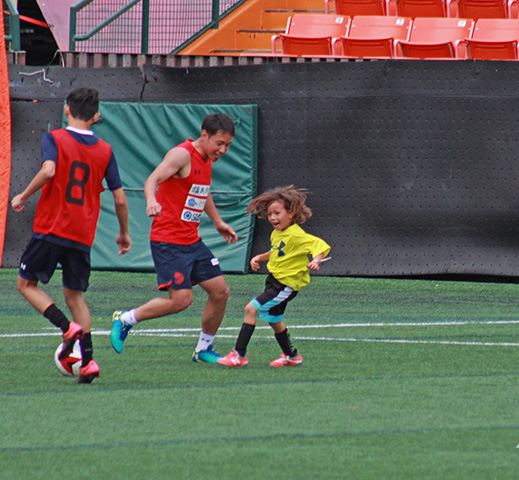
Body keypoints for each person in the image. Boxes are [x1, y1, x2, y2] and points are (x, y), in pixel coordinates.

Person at [11, 87, 132, 384]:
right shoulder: (105, 150)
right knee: (75, 296)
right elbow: (119, 199)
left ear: (66, 109)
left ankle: (67, 328)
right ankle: (88, 362)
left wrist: (24, 194)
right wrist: (124, 233)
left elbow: (49, 170)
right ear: (97, 116)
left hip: (52, 228)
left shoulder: (54, 138)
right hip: (82, 234)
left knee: (26, 284)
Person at [110, 113, 237, 364]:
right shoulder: (181, 155)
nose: (223, 150)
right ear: (204, 136)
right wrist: (151, 200)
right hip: (168, 240)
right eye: (219, 143)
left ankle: (203, 349)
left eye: (228, 146)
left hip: (191, 240)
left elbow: (202, 191)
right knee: (181, 300)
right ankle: (125, 319)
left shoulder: (207, 159)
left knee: (220, 291)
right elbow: (152, 180)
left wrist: (218, 221)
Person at [218, 185, 330, 368]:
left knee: (250, 309)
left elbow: (320, 245)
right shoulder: (278, 233)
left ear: (291, 213)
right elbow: (277, 252)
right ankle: (292, 355)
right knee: (273, 319)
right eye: (270, 214)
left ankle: (239, 355)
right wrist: (259, 258)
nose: (272, 218)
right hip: (274, 281)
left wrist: (316, 261)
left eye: (277, 213)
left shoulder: (297, 235)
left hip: (286, 285)